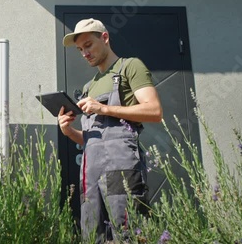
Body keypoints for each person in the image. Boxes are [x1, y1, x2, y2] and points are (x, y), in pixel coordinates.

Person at [58, 18, 163, 242]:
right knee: (93, 233)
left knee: (127, 229)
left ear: (104, 38)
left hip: (121, 165)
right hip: (90, 171)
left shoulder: (130, 66)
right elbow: (92, 139)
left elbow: (154, 110)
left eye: (88, 45)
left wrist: (103, 107)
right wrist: (68, 131)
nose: (84, 53)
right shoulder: (89, 86)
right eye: (79, 49)